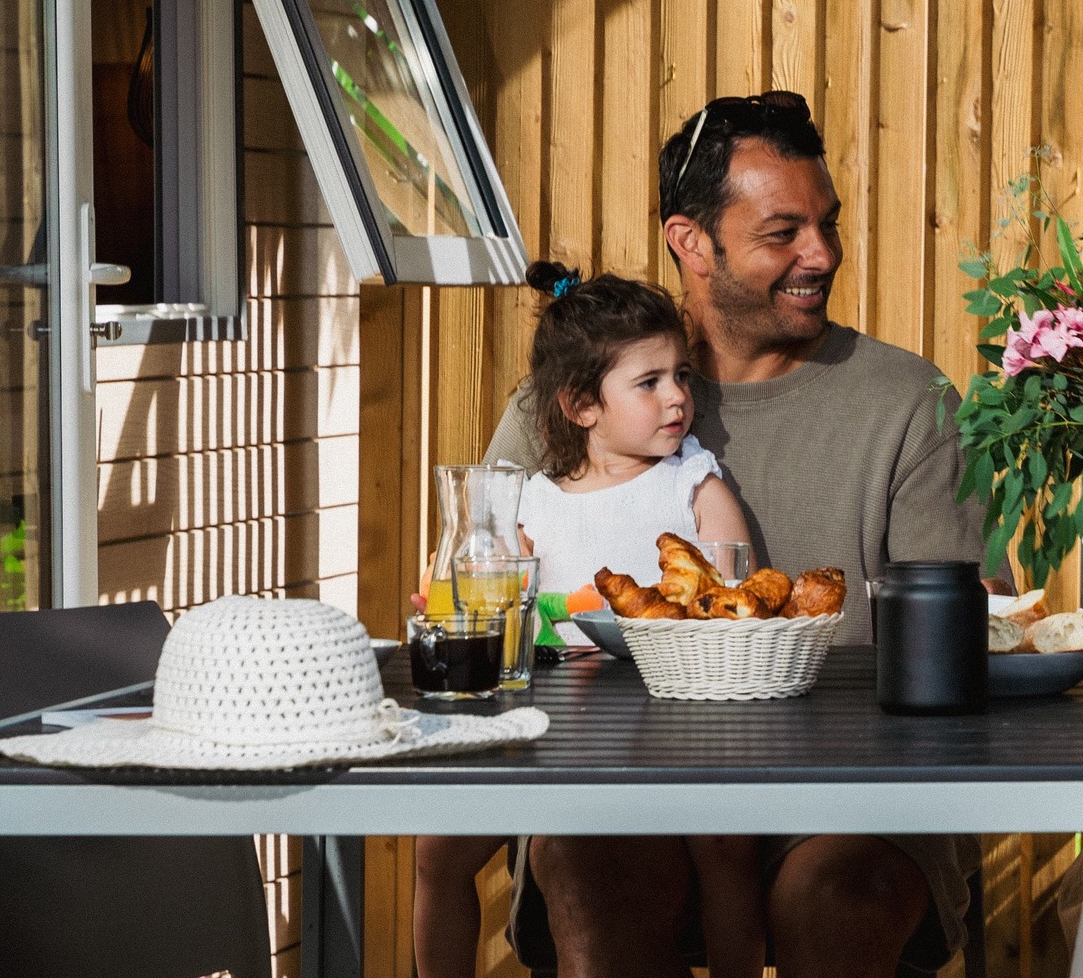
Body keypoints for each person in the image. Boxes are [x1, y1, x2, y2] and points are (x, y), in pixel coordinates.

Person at [480, 91, 985, 978]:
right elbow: (477, 589)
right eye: (782, 232)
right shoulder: (570, 402)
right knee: (595, 873)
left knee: (842, 895)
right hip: (616, 774)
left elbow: (966, 627)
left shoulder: (909, 402)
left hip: (850, 787)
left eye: (826, 224)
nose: (821, 254)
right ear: (691, 240)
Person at [416, 263, 764, 978]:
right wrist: (457, 600)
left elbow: (740, 604)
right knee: (434, 851)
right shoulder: (533, 503)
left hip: (673, 726)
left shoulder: (692, 484)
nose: (677, 396)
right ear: (581, 407)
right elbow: (488, 606)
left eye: (681, 375)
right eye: (649, 382)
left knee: (727, 847)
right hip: (549, 736)